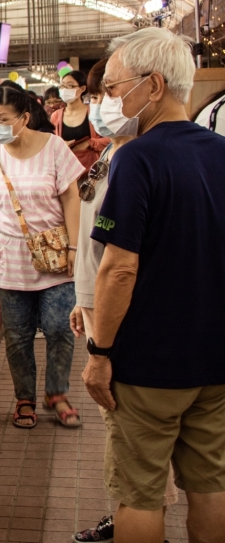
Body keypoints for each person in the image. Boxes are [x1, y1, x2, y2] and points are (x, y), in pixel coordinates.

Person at [83, 28, 225, 543]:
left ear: (155, 85)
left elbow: (119, 268)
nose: (111, 102)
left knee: (140, 492)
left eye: (117, 89)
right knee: (211, 485)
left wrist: (100, 351)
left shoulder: (137, 159)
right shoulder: (221, 152)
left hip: (148, 365)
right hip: (215, 357)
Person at [0, 84, 84, 430]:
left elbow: (71, 198)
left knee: (59, 328)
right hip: (8, 259)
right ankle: (25, 397)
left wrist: (74, 248)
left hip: (55, 256)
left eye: (2, 119)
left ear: (23, 118)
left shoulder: (53, 148)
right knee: (18, 336)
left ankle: (57, 391)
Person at [51, 69, 109, 172]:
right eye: (62, 86)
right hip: (66, 171)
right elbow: (52, 142)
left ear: (82, 89)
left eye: (70, 86)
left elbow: (110, 140)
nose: (64, 89)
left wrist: (90, 143)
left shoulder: (93, 112)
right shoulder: (56, 115)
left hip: (91, 170)